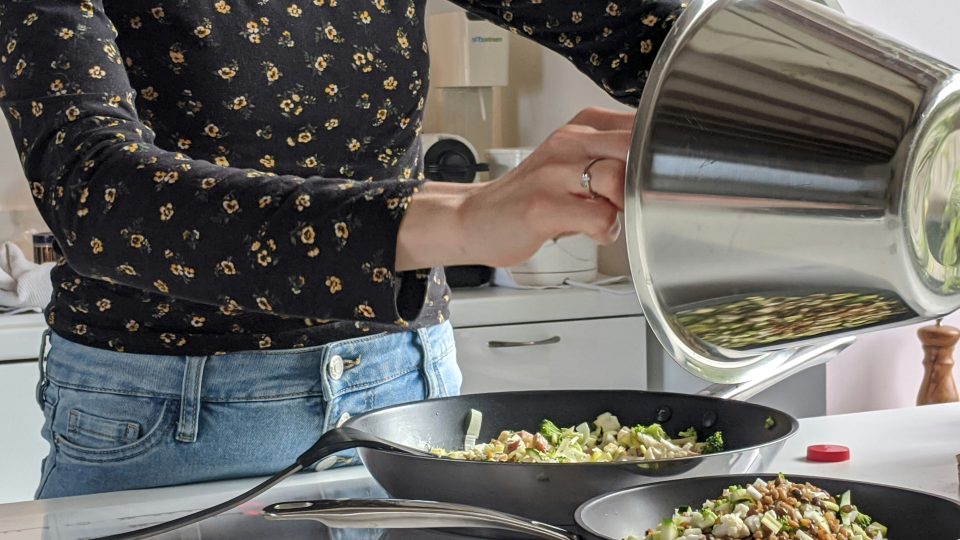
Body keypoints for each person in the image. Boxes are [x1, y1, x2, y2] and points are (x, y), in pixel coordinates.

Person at [0, 0, 683, 499]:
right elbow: (94, 189)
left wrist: (756, 98)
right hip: (169, 414)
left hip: (405, 391)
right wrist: (467, 218)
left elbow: (638, 29)